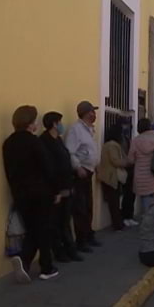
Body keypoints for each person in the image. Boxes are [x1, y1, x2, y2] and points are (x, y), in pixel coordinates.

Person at [3, 106, 59, 282]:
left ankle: (28, 264)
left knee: (34, 229)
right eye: (35, 120)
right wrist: (56, 190)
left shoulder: (8, 143)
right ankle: (43, 266)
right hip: (40, 192)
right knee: (43, 229)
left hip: (20, 193)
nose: (36, 124)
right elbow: (48, 168)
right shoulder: (35, 142)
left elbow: (9, 171)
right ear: (30, 123)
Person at [40, 112, 82, 263]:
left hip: (67, 187)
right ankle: (60, 252)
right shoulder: (45, 141)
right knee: (56, 223)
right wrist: (57, 190)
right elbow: (49, 168)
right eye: (60, 122)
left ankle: (70, 250)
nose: (62, 125)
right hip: (56, 190)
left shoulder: (58, 140)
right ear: (54, 124)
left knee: (65, 221)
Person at [65, 101, 101, 253]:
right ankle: (81, 240)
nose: (95, 114)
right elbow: (70, 151)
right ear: (88, 113)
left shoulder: (89, 130)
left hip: (89, 171)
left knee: (88, 206)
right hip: (80, 173)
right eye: (93, 111)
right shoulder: (76, 130)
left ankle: (88, 235)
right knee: (80, 208)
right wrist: (78, 167)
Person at [128, 118, 154, 211]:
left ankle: (148, 221)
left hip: (141, 178)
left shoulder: (135, 141)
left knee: (146, 205)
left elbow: (130, 160)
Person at [97, 124, 130, 231]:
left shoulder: (109, 144)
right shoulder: (112, 145)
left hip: (109, 176)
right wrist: (127, 163)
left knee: (114, 201)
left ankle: (118, 223)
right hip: (111, 177)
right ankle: (117, 224)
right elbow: (115, 161)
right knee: (114, 202)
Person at [118, 118, 137, 227]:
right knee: (126, 194)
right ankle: (125, 216)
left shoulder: (128, 138)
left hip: (131, 168)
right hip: (125, 168)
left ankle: (129, 215)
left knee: (131, 194)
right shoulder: (120, 139)